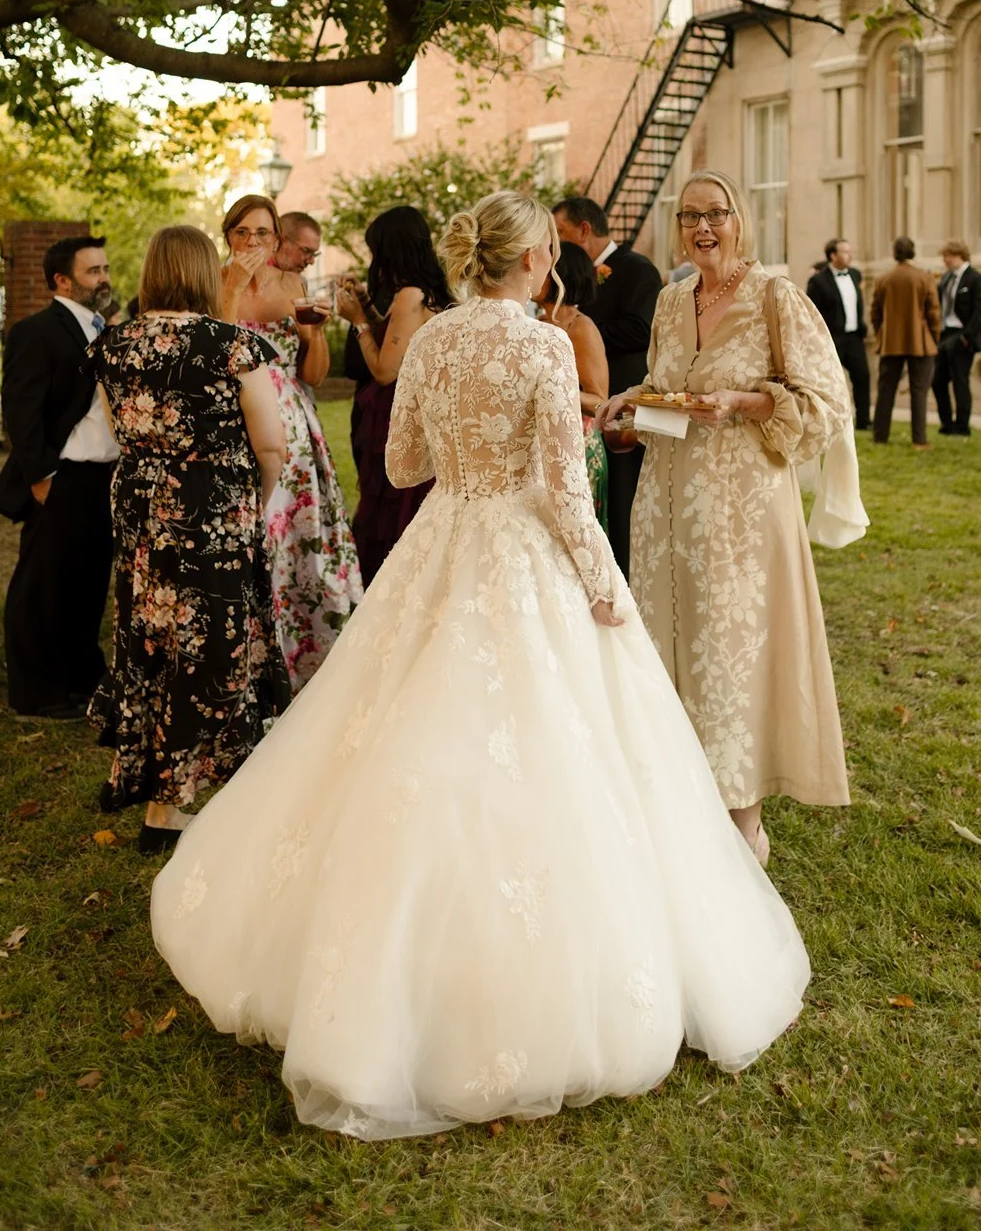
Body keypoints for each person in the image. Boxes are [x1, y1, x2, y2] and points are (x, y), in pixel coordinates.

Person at [150, 190, 809, 1141]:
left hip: (442, 543)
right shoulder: (543, 344)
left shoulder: (431, 340)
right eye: (548, 254)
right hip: (527, 555)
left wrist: (470, 465)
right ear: (538, 256)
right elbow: (562, 490)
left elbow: (406, 466)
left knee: (394, 733)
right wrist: (601, 585)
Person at [600, 171, 852, 865]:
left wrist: (744, 404)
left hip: (742, 512)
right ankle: (679, 804)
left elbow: (828, 401)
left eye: (716, 214)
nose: (703, 229)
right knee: (667, 647)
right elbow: (668, 407)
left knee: (730, 652)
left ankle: (744, 824)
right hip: (665, 505)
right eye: (689, 217)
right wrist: (630, 419)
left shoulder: (778, 298)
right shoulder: (670, 299)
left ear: (739, 219)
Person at [88, 228, 291, 851]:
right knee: (210, 652)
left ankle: (160, 798)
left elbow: (112, 429)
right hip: (211, 509)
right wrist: (252, 503)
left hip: (142, 505)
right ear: (206, 272)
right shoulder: (231, 345)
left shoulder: (113, 344)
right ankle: (179, 803)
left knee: (151, 641)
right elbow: (272, 444)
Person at [220, 194, 361, 689]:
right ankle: (249, 656)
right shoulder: (214, 283)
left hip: (295, 429)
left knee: (297, 539)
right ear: (228, 235)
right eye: (243, 232)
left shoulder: (293, 283)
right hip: (236, 423)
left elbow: (315, 376)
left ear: (276, 238)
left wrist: (315, 334)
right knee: (253, 535)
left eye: (263, 233)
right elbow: (211, 353)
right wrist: (234, 287)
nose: (253, 242)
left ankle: (307, 656)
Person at [0, 237, 117, 720]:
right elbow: (21, 412)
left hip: (102, 477)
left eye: (105, 268)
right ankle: (35, 693)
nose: (104, 278)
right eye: (92, 272)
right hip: (59, 478)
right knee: (40, 588)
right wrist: (41, 477)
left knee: (86, 584)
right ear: (62, 281)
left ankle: (82, 679)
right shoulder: (36, 332)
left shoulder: (105, 328)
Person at [332, 205, 453, 583]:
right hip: (423, 414)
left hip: (398, 417)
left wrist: (356, 323)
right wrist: (366, 304)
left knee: (391, 515)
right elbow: (401, 339)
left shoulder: (410, 295)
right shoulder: (430, 292)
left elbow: (385, 370)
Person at [552, 196, 661, 578]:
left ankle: (623, 579)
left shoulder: (637, 269)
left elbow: (640, 328)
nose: (556, 242)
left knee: (621, 496)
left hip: (622, 406)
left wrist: (580, 327)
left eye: (561, 232)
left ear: (584, 230)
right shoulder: (568, 275)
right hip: (586, 410)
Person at [533, 240, 612, 530]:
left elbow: (600, 400)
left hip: (577, 449)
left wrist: (551, 389)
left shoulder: (581, 327)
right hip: (543, 446)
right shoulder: (537, 323)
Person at [870, 236, 941, 448]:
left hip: (891, 341)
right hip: (919, 341)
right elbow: (934, 312)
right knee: (919, 391)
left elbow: (875, 312)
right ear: (913, 253)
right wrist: (934, 337)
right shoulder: (924, 278)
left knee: (885, 390)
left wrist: (881, 333)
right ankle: (919, 439)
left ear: (894, 253)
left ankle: (880, 436)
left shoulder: (883, 279)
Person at [806, 238, 870, 430]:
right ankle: (828, 421)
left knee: (862, 377)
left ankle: (864, 421)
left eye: (850, 251)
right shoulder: (818, 281)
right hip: (832, 338)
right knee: (829, 382)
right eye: (845, 252)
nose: (849, 255)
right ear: (833, 255)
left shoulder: (856, 275)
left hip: (854, 336)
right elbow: (812, 312)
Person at [932, 239, 981, 438]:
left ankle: (962, 426)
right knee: (937, 380)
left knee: (960, 380)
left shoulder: (976, 279)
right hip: (945, 334)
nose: (944, 261)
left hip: (963, 336)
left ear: (959, 255)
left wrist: (966, 337)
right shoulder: (946, 279)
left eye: (947, 256)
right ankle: (946, 423)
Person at [274, 210, 323, 280]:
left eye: (314, 254)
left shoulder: (300, 283)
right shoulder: (255, 279)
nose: (311, 261)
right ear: (280, 241)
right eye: (306, 251)